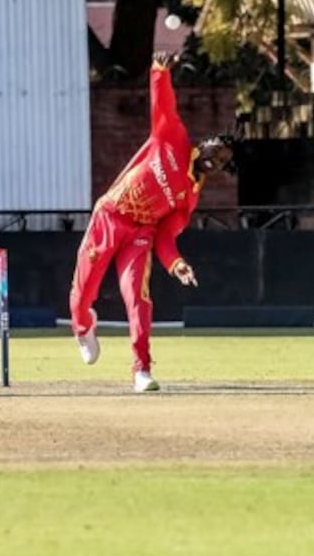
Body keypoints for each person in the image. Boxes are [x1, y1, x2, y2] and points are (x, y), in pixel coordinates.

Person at [70, 52, 236, 393]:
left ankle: (141, 369)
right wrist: (160, 70)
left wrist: (176, 265)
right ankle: (83, 325)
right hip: (110, 215)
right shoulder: (173, 138)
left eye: (221, 161)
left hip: (140, 234)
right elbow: (163, 104)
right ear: (203, 144)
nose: (215, 160)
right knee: (83, 292)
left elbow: (166, 237)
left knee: (138, 298)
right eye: (215, 150)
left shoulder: (188, 197)